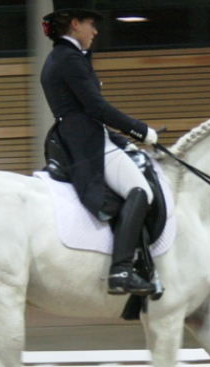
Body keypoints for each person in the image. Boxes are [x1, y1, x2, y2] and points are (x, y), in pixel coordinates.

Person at [40, 7, 158, 296]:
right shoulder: (68, 59)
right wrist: (139, 129)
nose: (95, 32)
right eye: (90, 25)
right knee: (141, 191)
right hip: (87, 142)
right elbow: (96, 108)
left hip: (81, 136)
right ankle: (121, 270)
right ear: (75, 24)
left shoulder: (63, 57)